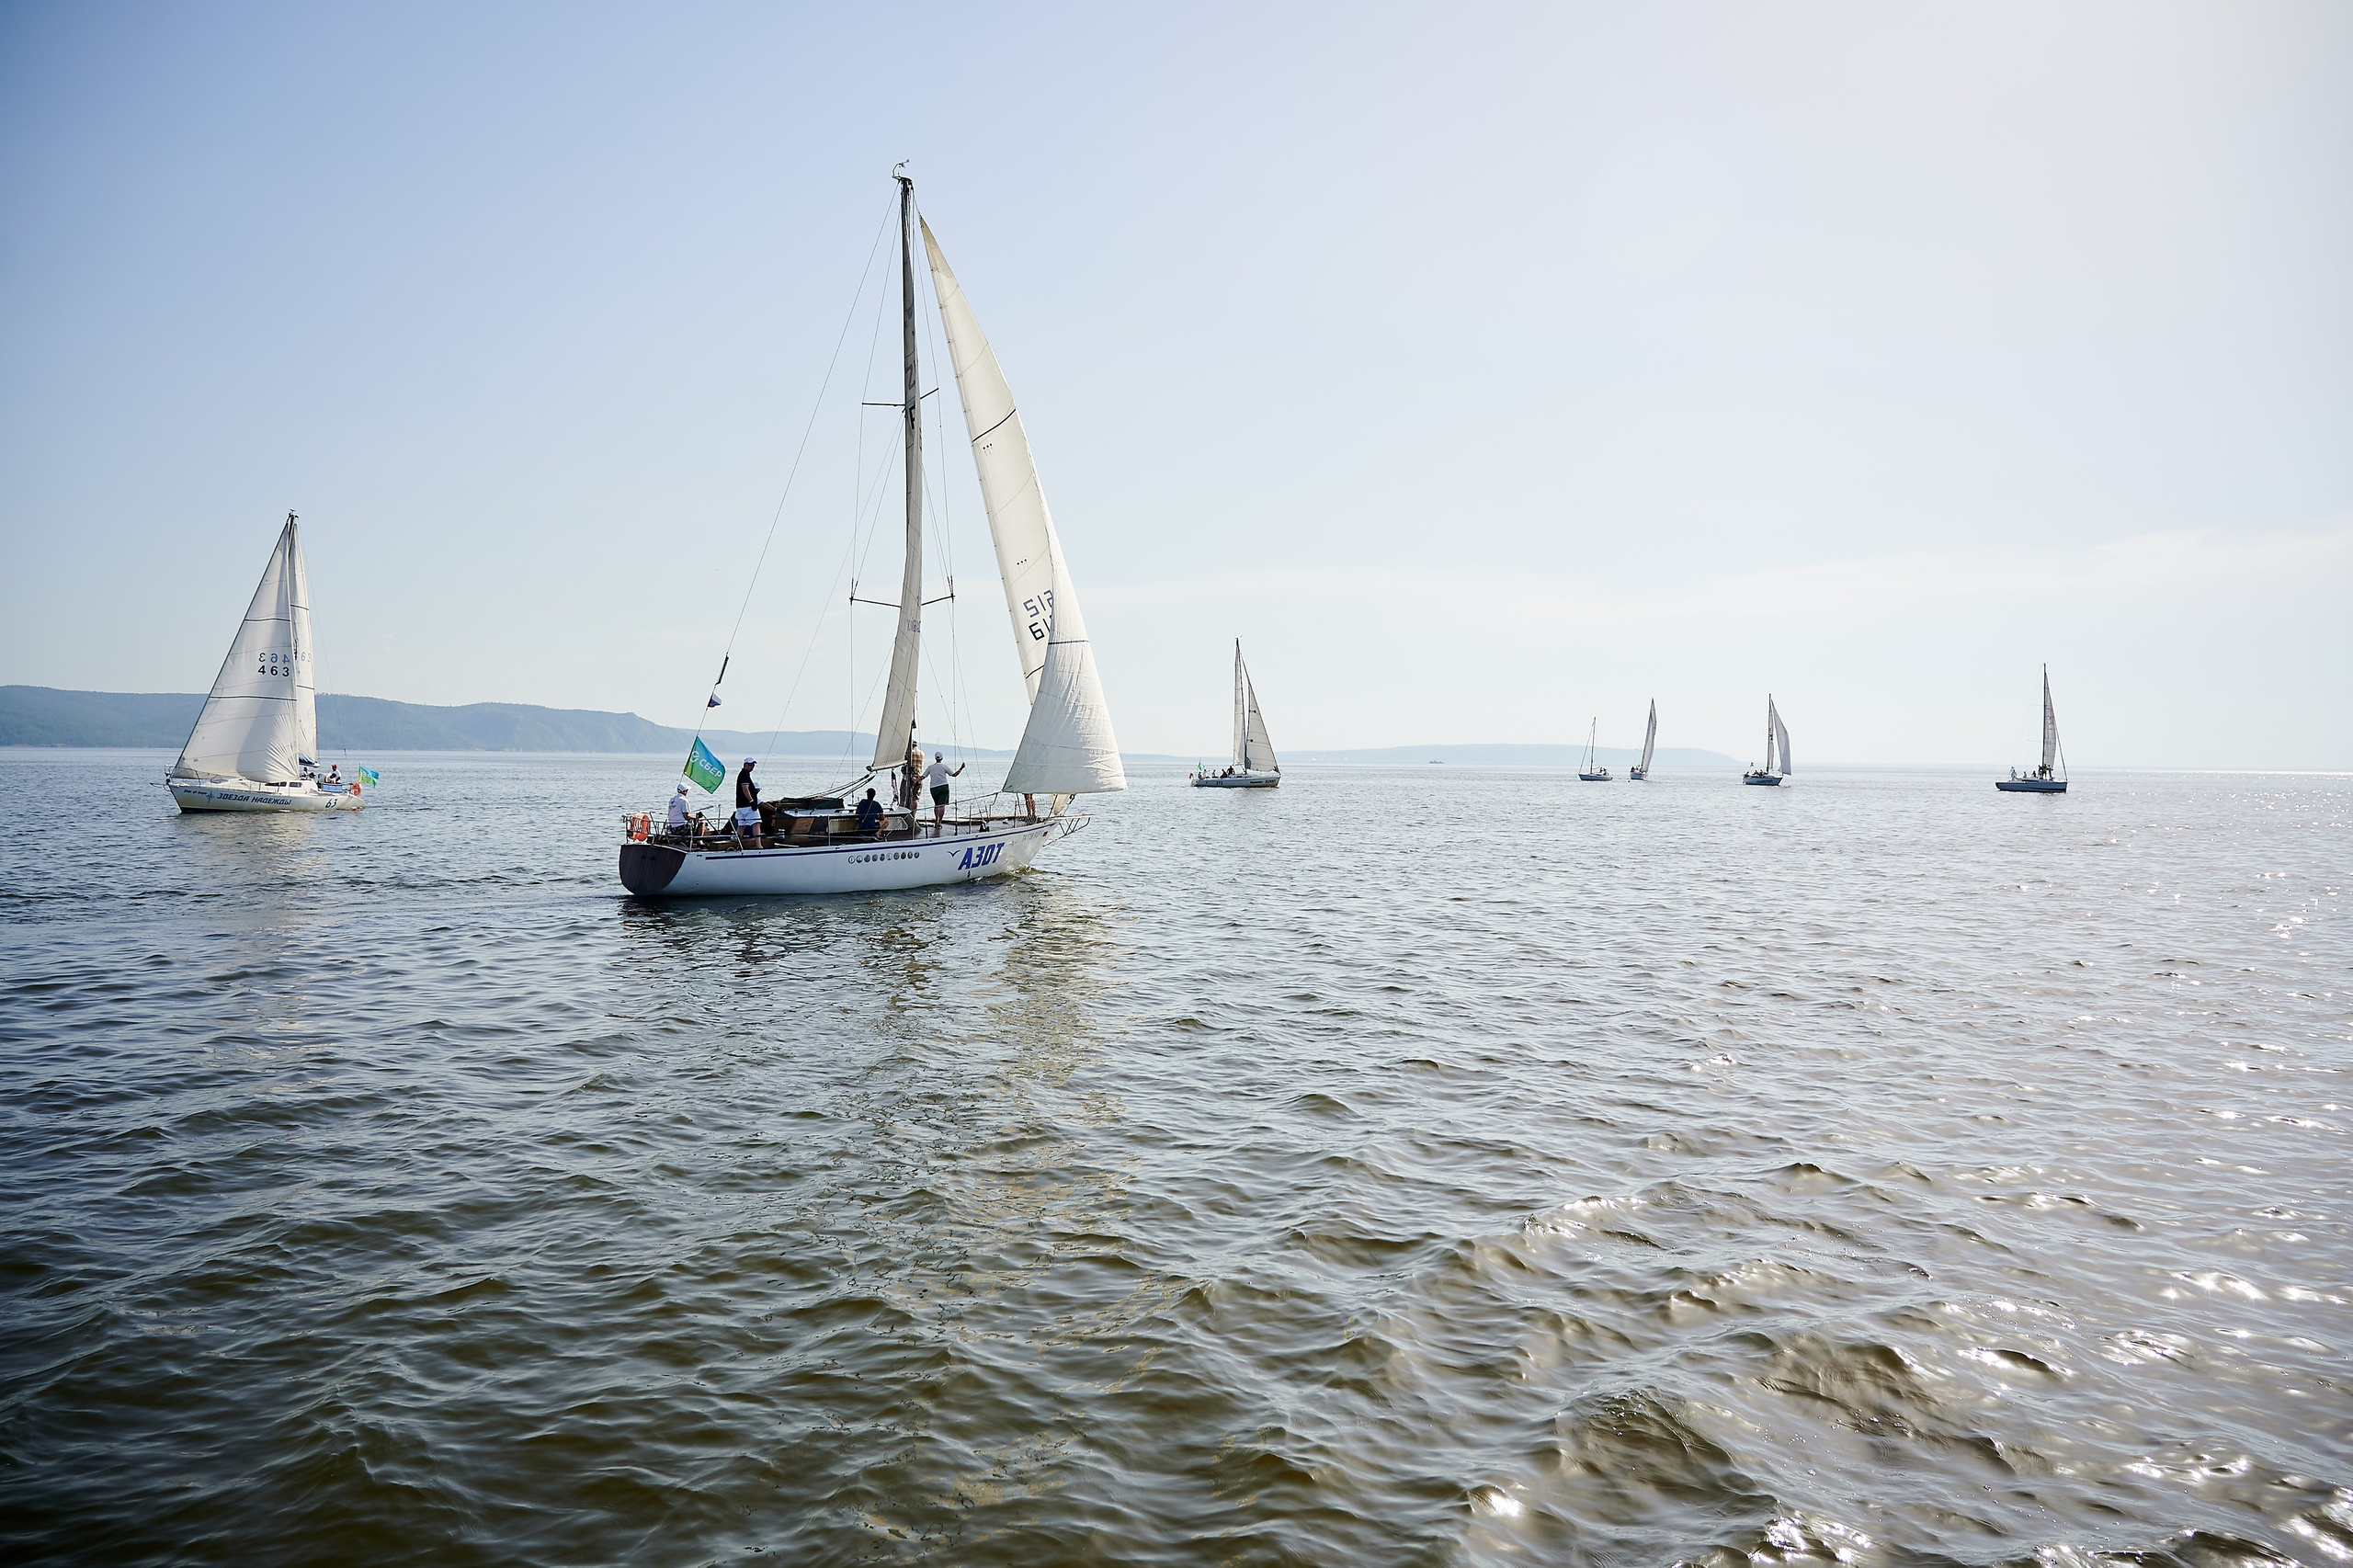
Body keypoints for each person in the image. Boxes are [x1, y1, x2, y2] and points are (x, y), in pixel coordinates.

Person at [923, 752, 965, 833]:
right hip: (943, 786)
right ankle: (940, 822)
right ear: (942, 758)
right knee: (942, 805)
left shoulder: (930, 767)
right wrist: (961, 768)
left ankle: (936, 821)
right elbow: (954, 775)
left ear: (935, 758)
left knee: (936, 805)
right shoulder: (944, 766)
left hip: (933, 788)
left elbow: (923, 776)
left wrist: (916, 780)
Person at [733, 757, 764, 848]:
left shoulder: (743, 774)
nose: (752, 767)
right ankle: (759, 845)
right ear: (745, 765)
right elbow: (745, 789)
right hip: (747, 805)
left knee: (742, 825)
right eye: (750, 765)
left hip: (740, 805)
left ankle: (738, 844)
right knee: (756, 823)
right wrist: (752, 801)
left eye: (753, 765)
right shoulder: (744, 775)